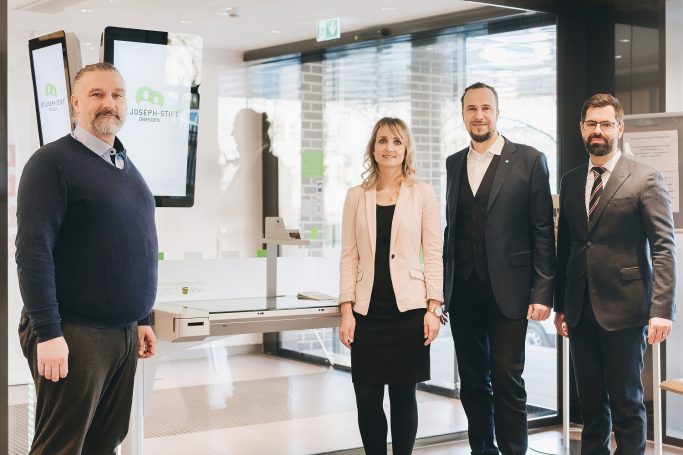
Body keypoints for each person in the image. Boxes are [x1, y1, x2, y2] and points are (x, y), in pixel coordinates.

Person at [15, 62, 158, 455]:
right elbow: (33, 253)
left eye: (116, 95)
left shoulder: (124, 165)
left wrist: (141, 319)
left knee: (104, 444)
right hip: (74, 332)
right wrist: (48, 333)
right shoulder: (51, 164)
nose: (108, 103)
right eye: (97, 94)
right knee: (61, 446)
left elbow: (129, 247)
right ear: (75, 103)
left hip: (122, 334)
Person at [554, 93, 676, 454]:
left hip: (626, 310)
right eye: (592, 123)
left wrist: (661, 309)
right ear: (581, 128)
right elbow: (567, 248)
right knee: (591, 410)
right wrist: (561, 305)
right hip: (580, 312)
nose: (598, 130)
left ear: (619, 129)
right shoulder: (570, 181)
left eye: (606, 124)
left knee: (627, 406)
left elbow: (664, 247)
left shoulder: (645, 178)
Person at [443, 82, 556, 455]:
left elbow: (543, 231)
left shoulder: (529, 159)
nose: (479, 115)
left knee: (507, 378)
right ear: (463, 114)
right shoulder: (454, 163)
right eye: (471, 109)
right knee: (473, 381)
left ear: (497, 112)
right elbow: (452, 229)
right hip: (463, 291)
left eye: (486, 108)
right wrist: (442, 290)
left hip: (511, 291)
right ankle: (482, 450)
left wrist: (543, 291)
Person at [338, 117, 444, 455]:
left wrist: (434, 307)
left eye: (397, 141)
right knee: (367, 399)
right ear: (373, 148)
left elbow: (433, 253)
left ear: (406, 148)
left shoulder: (422, 194)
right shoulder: (356, 196)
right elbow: (348, 256)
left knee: (403, 397)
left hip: (409, 310)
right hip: (367, 311)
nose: (389, 148)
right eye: (383, 141)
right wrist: (346, 310)